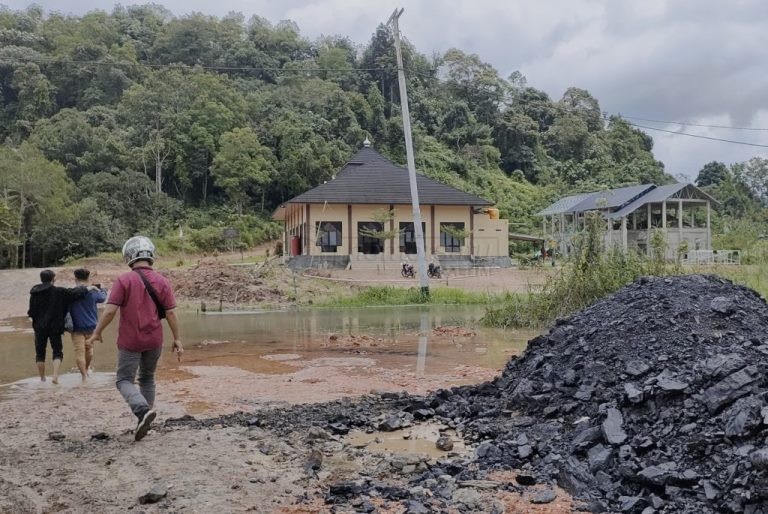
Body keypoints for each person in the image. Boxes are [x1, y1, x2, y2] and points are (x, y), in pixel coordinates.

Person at [88, 236, 182, 442]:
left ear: (129, 256)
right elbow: (171, 314)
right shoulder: (163, 281)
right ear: (151, 255)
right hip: (155, 340)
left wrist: (97, 332)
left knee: (123, 380)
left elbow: (110, 311)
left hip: (130, 341)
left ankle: (141, 411)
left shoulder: (124, 280)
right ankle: (144, 418)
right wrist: (177, 339)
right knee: (147, 378)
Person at [27, 270, 89, 384]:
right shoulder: (58, 291)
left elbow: (31, 312)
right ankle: (55, 376)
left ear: (41, 279)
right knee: (57, 352)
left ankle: (42, 379)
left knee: (40, 354)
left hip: (39, 328)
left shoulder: (34, 293)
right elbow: (74, 294)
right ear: (53, 279)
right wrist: (88, 288)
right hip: (55, 327)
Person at [68, 268, 107, 383]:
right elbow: (103, 298)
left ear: (75, 278)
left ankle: (84, 376)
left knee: (79, 352)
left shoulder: (71, 292)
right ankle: (86, 369)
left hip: (76, 327)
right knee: (89, 350)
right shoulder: (93, 291)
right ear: (88, 278)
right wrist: (103, 289)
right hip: (91, 326)